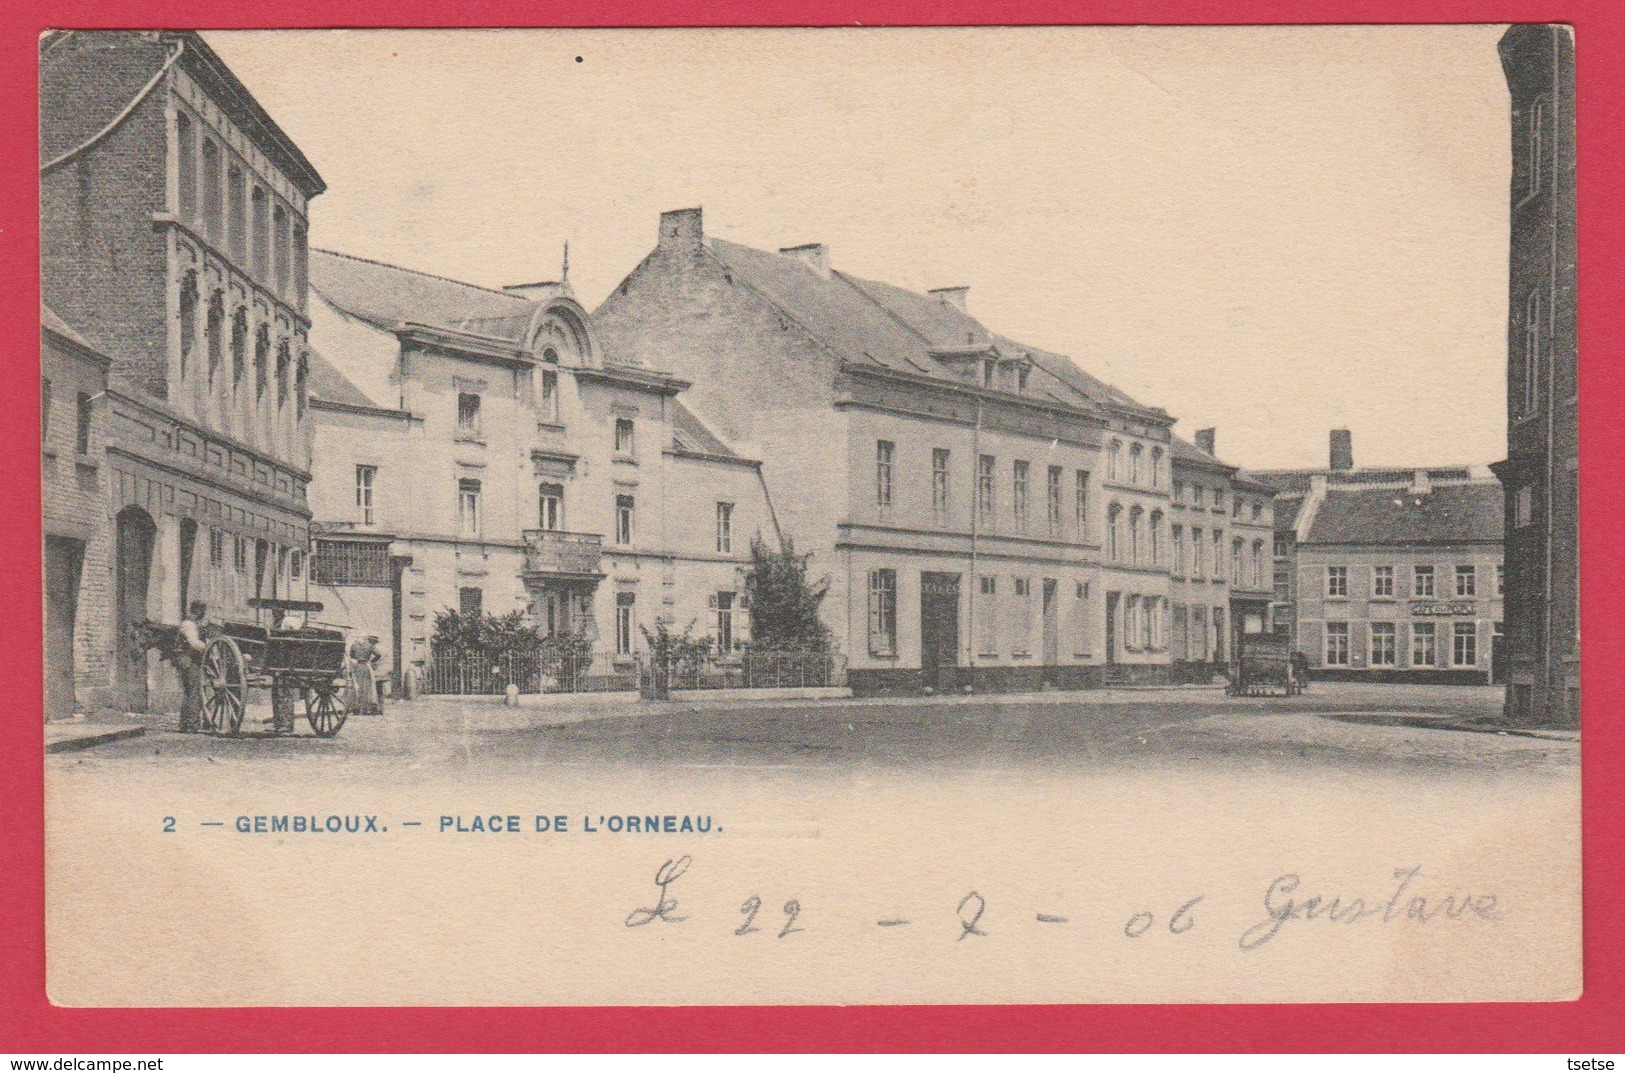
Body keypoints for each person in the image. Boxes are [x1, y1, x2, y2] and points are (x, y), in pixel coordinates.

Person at [175, 600, 208, 732]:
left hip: (189, 660)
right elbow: (194, 643)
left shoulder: (192, 623)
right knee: (195, 691)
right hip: (188, 660)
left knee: (189, 691)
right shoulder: (188, 625)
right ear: (198, 611)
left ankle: (185, 724)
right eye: (202, 611)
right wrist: (210, 648)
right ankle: (192, 725)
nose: (203, 614)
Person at [349, 633, 382, 715]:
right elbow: (378, 654)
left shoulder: (354, 645)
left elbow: (351, 656)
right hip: (366, 667)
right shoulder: (369, 645)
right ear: (364, 638)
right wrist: (371, 661)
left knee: (356, 686)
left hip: (357, 667)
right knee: (366, 687)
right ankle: (365, 707)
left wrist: (355, 659)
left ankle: (356, 708)